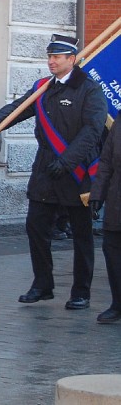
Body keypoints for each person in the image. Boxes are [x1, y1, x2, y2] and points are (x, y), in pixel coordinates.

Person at [0, 34, 107, 310]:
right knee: (36, 227)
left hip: (77, 171)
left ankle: (81, 291)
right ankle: (42, 285)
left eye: (57, 57)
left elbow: (92, 131)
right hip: (46, 170)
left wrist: (68, 161)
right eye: (49, 56)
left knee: (81, 235)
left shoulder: (90, 90)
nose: (52, 61)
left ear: (72, 59)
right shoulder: (42, 88)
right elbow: (16, 110)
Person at [90, 119, 121, 323]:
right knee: (112, 249)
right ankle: (117, 304)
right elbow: (107, 161)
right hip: (116, 200)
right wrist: (97, 195)